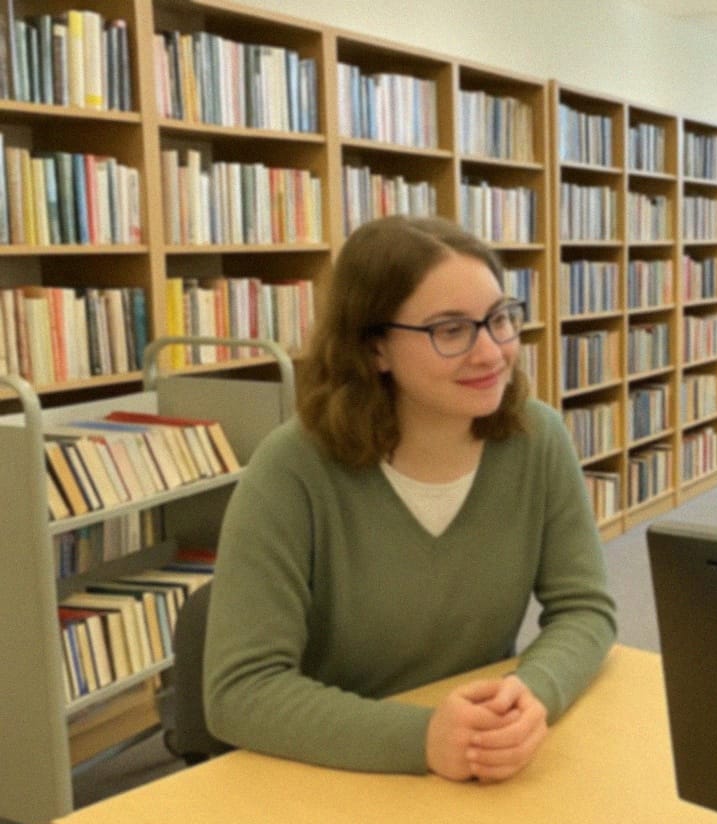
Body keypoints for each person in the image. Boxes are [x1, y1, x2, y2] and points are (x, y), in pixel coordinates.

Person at [204, 215, 617, 783]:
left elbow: (585, 609)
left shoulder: (537, 438)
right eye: (450, 330)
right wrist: (423, 739)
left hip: (476, 768)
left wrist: (530, 695)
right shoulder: (291, 469)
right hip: (334, 773)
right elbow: (240, 690)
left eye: (500, 319)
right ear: (375, 347)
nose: (491, 352)